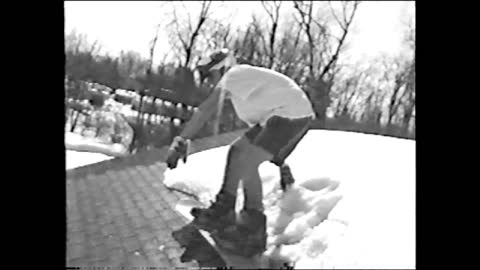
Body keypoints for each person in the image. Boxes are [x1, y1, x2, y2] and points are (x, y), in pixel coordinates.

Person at [166, 48, 315, 256]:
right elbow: (268, 141)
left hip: (291, 115)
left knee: (247, 162)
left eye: (210, 75)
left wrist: (181, 139)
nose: (211, 82)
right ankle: (225, 209)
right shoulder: (245, 94)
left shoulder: (234, 75)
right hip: (282, 116)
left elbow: (205, 110)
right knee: (237, 150)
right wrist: (282, 164)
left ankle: (253, 231)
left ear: (222, 68)